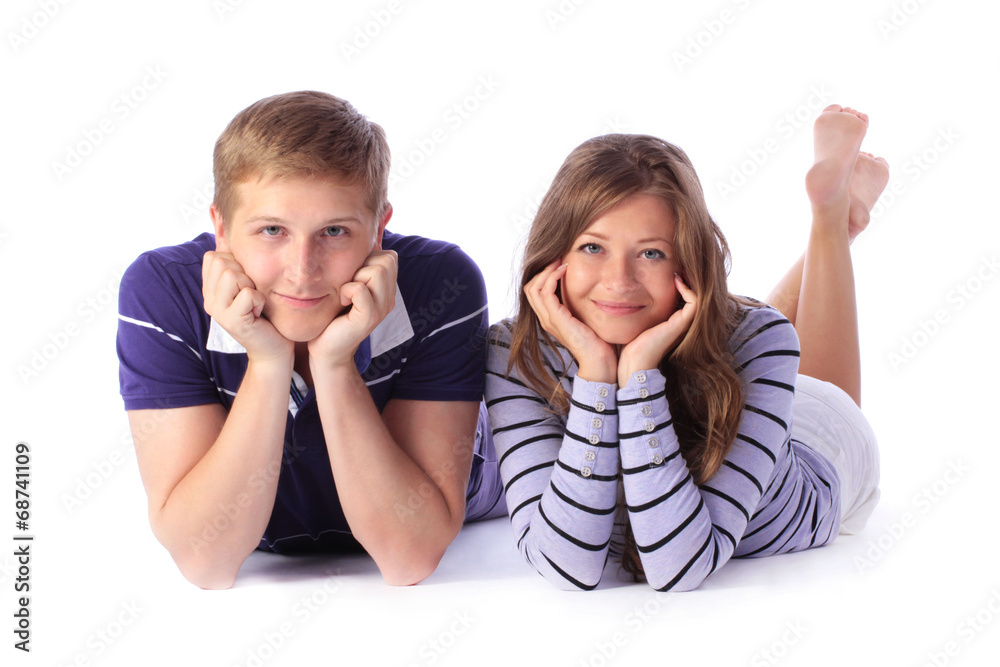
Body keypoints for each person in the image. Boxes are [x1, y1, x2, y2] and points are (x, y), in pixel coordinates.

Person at [485, 104, 885, 591]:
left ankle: (830, 218)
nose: (619, 280)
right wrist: (595, 372)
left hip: (817, 450)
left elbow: (678, 566)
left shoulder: (763, 343)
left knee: (784, 355)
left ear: (687, 260)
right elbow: (567, 565)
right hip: (735, 378)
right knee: (743, 334)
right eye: (593, 247)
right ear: (555, 255)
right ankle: (839, 218)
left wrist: (636, 379)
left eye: (651, 253)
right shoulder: (514, 352)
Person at [117, 91, 505, 590]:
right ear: (221, 229)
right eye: (272, 229)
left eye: (335, 231)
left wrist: (336, 365)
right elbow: (207, 562)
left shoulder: (443, 283)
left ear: (379, 230)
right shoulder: (161, 290)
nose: (303, 271)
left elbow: (409, 558)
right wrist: (268, 362)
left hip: (471, 495)